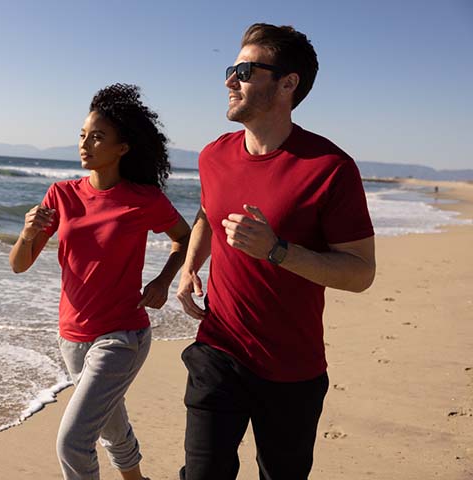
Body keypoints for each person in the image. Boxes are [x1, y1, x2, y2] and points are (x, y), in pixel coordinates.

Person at [176, 23, 376, 479]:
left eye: (244, 70)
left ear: (288, 84)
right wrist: (189, 267)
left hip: (292, 369)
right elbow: (208, 213)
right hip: (218, 349)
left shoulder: (330, 168)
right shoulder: (213, 155)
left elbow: (361, 273)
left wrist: (278, 251)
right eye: (231, 69)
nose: (230, 81)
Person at [10, 83, 191, 480]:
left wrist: (163, 281)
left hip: (122, 335)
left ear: (122, 147)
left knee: (73, 440)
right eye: (82, 135)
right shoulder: (61, 195)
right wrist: (26, 233)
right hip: (71, 336)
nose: (85, 143)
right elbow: (19, 265)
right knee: (110, 424)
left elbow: (185, 236)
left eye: (97, 136)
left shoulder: (143, 199)